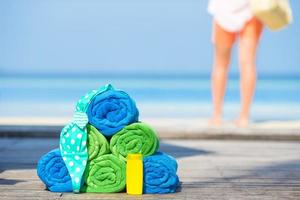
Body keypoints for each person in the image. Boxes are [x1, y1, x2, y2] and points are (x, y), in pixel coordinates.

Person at [208, 0, 263, 127]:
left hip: (224, 11)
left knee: (220, 64)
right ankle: (244, 116)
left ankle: (217, 116)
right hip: (252, 10)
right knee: (248, 63)